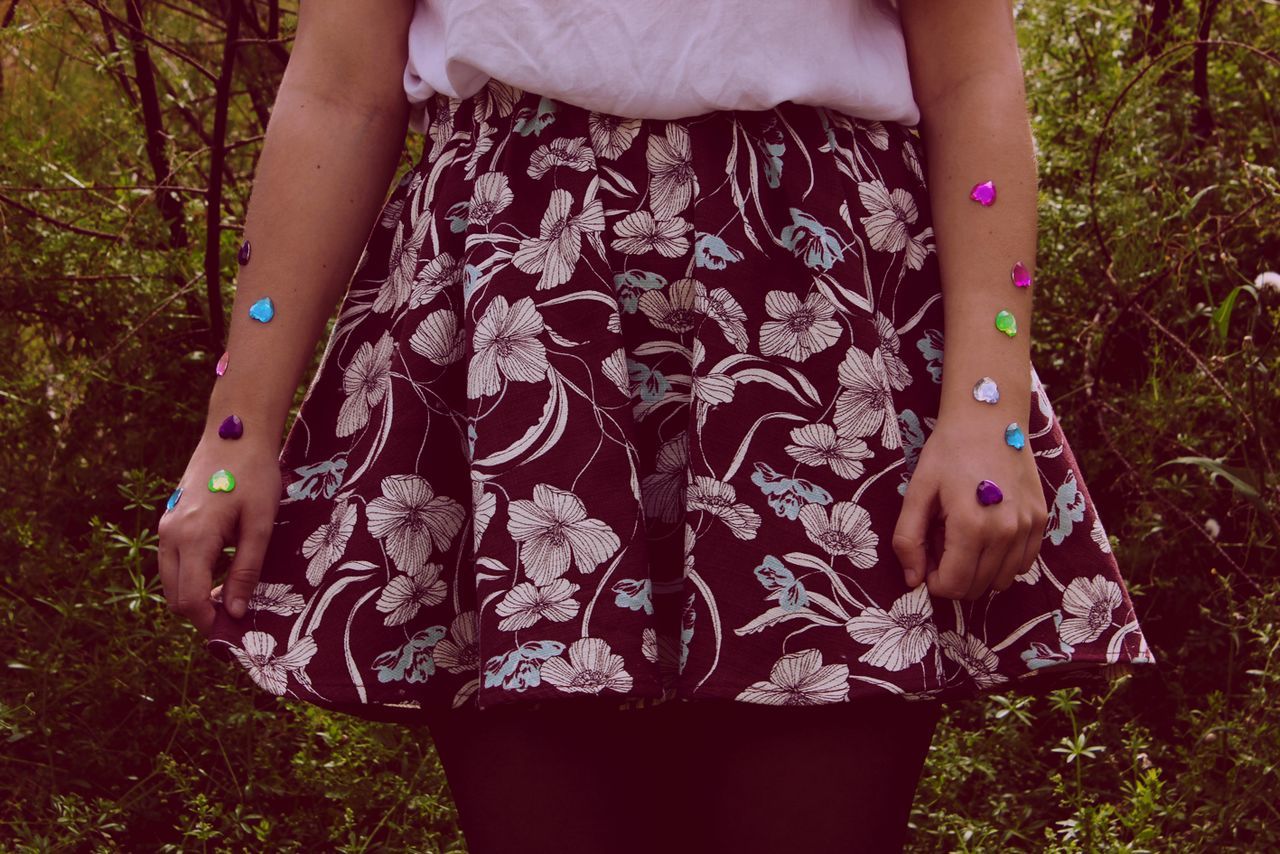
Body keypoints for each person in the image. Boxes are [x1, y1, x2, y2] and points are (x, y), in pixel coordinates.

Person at [157, 1, 1158, 851]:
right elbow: (338, 89)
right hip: (519, 328)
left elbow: (970, 78)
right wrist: (236, 431)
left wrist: (987, 410)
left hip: (812, 330)